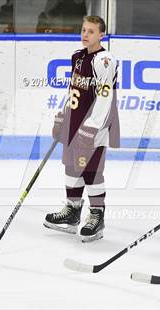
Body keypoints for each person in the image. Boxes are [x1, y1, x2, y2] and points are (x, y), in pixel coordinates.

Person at [43, 15, 119, 243]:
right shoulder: (77, 57)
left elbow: (105, 99)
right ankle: (73, 212)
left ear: (102, 35)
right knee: (71, 167)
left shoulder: (105, 60)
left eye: (91, 31)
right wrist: (63, 116)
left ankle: (97, 216)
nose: (85, 35)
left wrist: (92, 128)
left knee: (91, 171)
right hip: (75, 122)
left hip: (95, 126)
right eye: (84, 30)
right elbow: (73, 92)